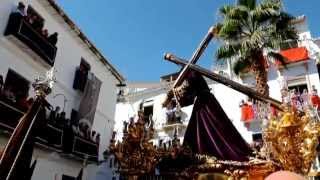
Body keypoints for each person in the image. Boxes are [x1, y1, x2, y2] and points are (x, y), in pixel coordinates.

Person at [165, 71, 252, 161]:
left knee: (207, 127)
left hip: (204, 102)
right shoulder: (193, 74)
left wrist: (174, 92)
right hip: (206, 101)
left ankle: (207, 154)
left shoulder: (191, 74)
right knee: (212, 126)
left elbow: (187, 90)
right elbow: (189, 96)